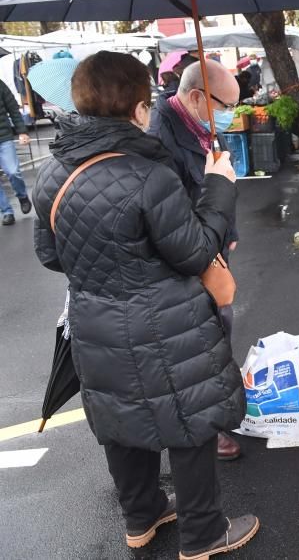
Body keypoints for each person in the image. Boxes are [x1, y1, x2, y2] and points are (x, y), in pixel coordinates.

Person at [31, 51, 258, 559]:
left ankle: (142, 516)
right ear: (137, 108)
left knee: (121, 420)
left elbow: (49, 255)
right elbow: (196, 251)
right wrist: (220, 187)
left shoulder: (53, 174)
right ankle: (203, 534)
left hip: (93, 320)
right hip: (167, 322)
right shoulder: (147, 175)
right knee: (190, 422)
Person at [154, 60, 242, 461]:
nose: (231, 115)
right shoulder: (160, 140)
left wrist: (229, 230)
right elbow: (188, 204)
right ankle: (209, 429)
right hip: (186, 258)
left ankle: (215, 419)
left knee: (217, 329)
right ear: (194, 98)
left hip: (208, 245)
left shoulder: (198, 128)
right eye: (226, 105)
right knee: (203, 338)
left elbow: (216, 180)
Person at [1, 79, 32, 225]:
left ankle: (22, 196)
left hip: (3, 137)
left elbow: (13, 108)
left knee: (13, 171)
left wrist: (22, 132)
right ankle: (7, 211)